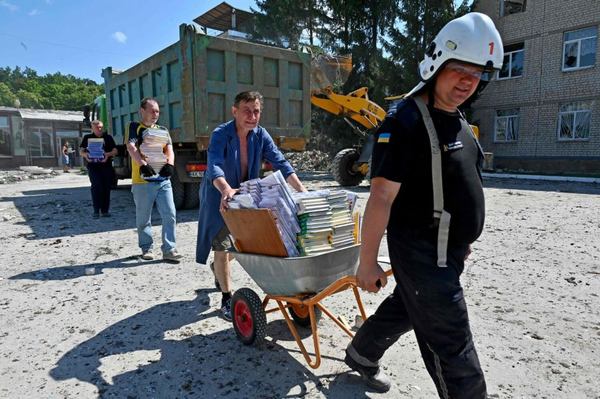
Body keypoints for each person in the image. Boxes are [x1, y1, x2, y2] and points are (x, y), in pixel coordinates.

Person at [343, 13, 504, 397]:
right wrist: (367, 263)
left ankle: (361, 354)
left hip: (449, 251)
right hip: (420, 251)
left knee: (408, 304)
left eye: (478, 72)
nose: (468, 80)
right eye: (459, 69)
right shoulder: (405, 122)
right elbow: (381, 196)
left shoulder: (457, 118)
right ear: (437, 65)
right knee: (453, 344)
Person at [196, 91, 307, 321]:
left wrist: (302, 192)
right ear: (234, 111)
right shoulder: (221, 134)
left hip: (247, 196)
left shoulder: (261, 134)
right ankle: (227, 298)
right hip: (221, 195)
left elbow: (280, 163)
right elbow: (214, 166)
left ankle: (218, 268)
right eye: (247, 111)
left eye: (256, 111)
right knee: (223, 246)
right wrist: (226, 189)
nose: (252, 116)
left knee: (248, 244)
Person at [126, 98, 182, 263]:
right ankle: (146, 248)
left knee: (170, 214)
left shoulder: (163, 130)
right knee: (144, 217)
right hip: (143, 181)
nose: (155, 114)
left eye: (157, 111)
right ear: (141, 111)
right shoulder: (134, 127)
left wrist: (170, 165)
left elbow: (169, 149)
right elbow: (131, 147)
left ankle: (169, 249)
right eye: (151, 110)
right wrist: (142, 164)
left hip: (163, 180)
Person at [80, 122, 117, 218]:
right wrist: (86, 155)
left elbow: (115, 151)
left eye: (101, 127)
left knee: (106, 188)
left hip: (106, 166)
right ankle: (96, 211)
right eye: (97, 128)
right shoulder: (87, 138)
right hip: (93, 166)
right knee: (96, 186)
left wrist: (107, 154)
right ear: (92, 128)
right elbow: (81, 151)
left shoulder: (108, 137)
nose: (99, 129)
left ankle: (105, 211)